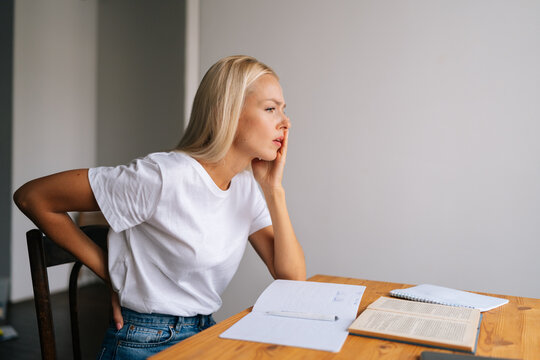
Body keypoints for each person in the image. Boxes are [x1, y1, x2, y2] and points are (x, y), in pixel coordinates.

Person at [13, 55, 306, 359]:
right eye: (271, 109)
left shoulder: (244, 186)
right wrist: (110, 272)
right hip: (145, 340)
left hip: (204, 333)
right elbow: (33, 196)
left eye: (284, 110)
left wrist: (274, 190)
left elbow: (292, 277)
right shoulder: (164, 176)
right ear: (227, 112)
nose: (285, 122)